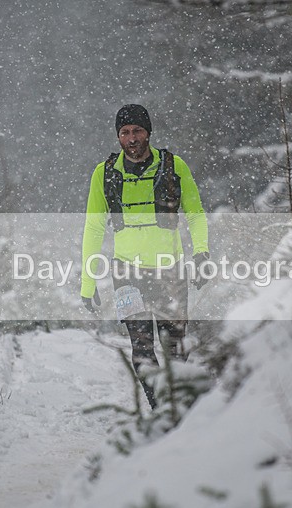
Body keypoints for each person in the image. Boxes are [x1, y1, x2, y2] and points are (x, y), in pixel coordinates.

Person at [80, 104, 210, 409]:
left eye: (137, 130)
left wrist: (201, 254)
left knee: (174, 349)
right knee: (141, 348)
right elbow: (93, 227)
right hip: (126, 275)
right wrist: (88, 282)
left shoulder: (174, 166)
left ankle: (181, 411)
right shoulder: (105, 173)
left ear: (148, 133)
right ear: (118, 137)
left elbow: (196, 213)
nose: (132, 138)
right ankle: (161, 410)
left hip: (170, 272)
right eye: (125, 132)